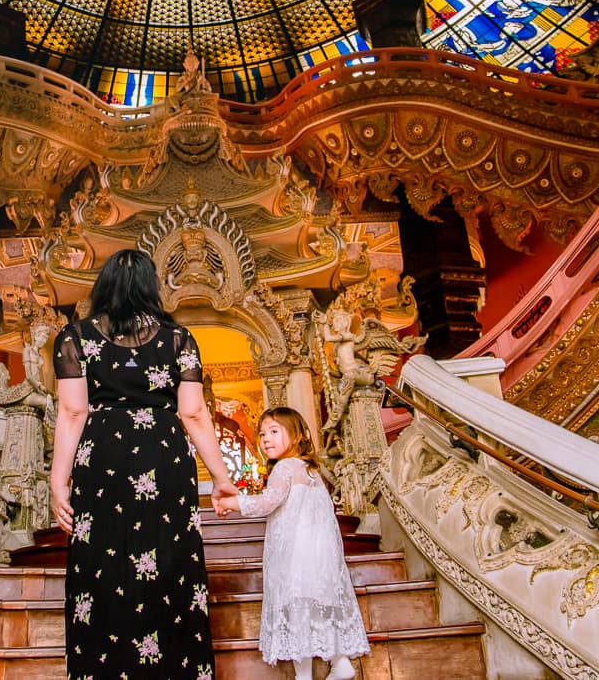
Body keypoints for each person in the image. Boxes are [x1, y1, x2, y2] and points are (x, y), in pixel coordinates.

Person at [50, 248, 237, 678]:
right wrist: (222, 478)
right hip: (163, 452)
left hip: (103, 458)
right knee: (169, 562)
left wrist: (58, 480)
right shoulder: (179, 339)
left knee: (103, 564)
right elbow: (194, 413)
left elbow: (73, 412)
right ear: (153, 288)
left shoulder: (74, 338)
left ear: (103, 288)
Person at [214, 407, 369, 680]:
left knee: (298, 612)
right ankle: (340, 660)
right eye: (262, 434)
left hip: (295, 555)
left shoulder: (285, 468)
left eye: (274, 432)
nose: (265, 439)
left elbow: (266, 503)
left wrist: (232, 502)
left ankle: (303, 676)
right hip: (320, 556)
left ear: (297, 436)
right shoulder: (311, 471)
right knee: (317, 609)